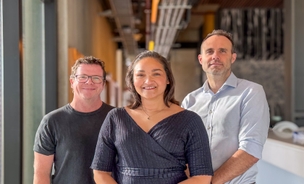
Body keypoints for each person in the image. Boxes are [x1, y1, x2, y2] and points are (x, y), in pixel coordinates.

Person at [91, 50, 213, 184]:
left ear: (168, 79)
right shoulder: (115, 118)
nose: (148, 81)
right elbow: (100, 171)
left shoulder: (190, 121)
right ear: (132, 80)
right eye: (140, 75)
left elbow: (202, 177)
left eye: (156, 74)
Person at [181, 29, 270, 184]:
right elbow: (182, 150)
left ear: (232, 57)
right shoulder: (190, 101)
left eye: (222, 51)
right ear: (201, 59)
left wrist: (209, 183)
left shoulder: (251, 92)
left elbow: (251, 150)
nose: (215, 56)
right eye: (210, 51)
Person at [33, 56, 115, 184]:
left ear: (103, 84)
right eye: (82, 77)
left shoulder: (117, 118)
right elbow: (41, 174)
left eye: (96, 78)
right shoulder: (52, 121)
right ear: (72, 82)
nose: (89, 82)